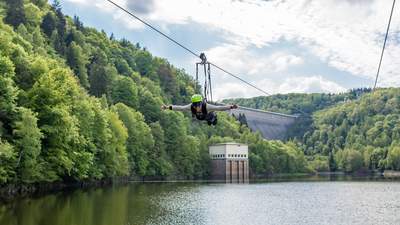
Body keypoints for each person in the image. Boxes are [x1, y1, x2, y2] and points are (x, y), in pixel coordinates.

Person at [161, 94, 238, 125]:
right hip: (201, 117)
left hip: (209, 116)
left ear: (201, 103)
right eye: (195, 105)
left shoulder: (207, 106)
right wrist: (167, 107)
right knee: (202, 117)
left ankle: (212, 119)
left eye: (198, 105)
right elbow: (180, 108)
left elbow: (219, 108)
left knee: (212, 119)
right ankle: (209, 121)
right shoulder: (190, 106)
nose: (197, 107)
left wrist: (231, 107)